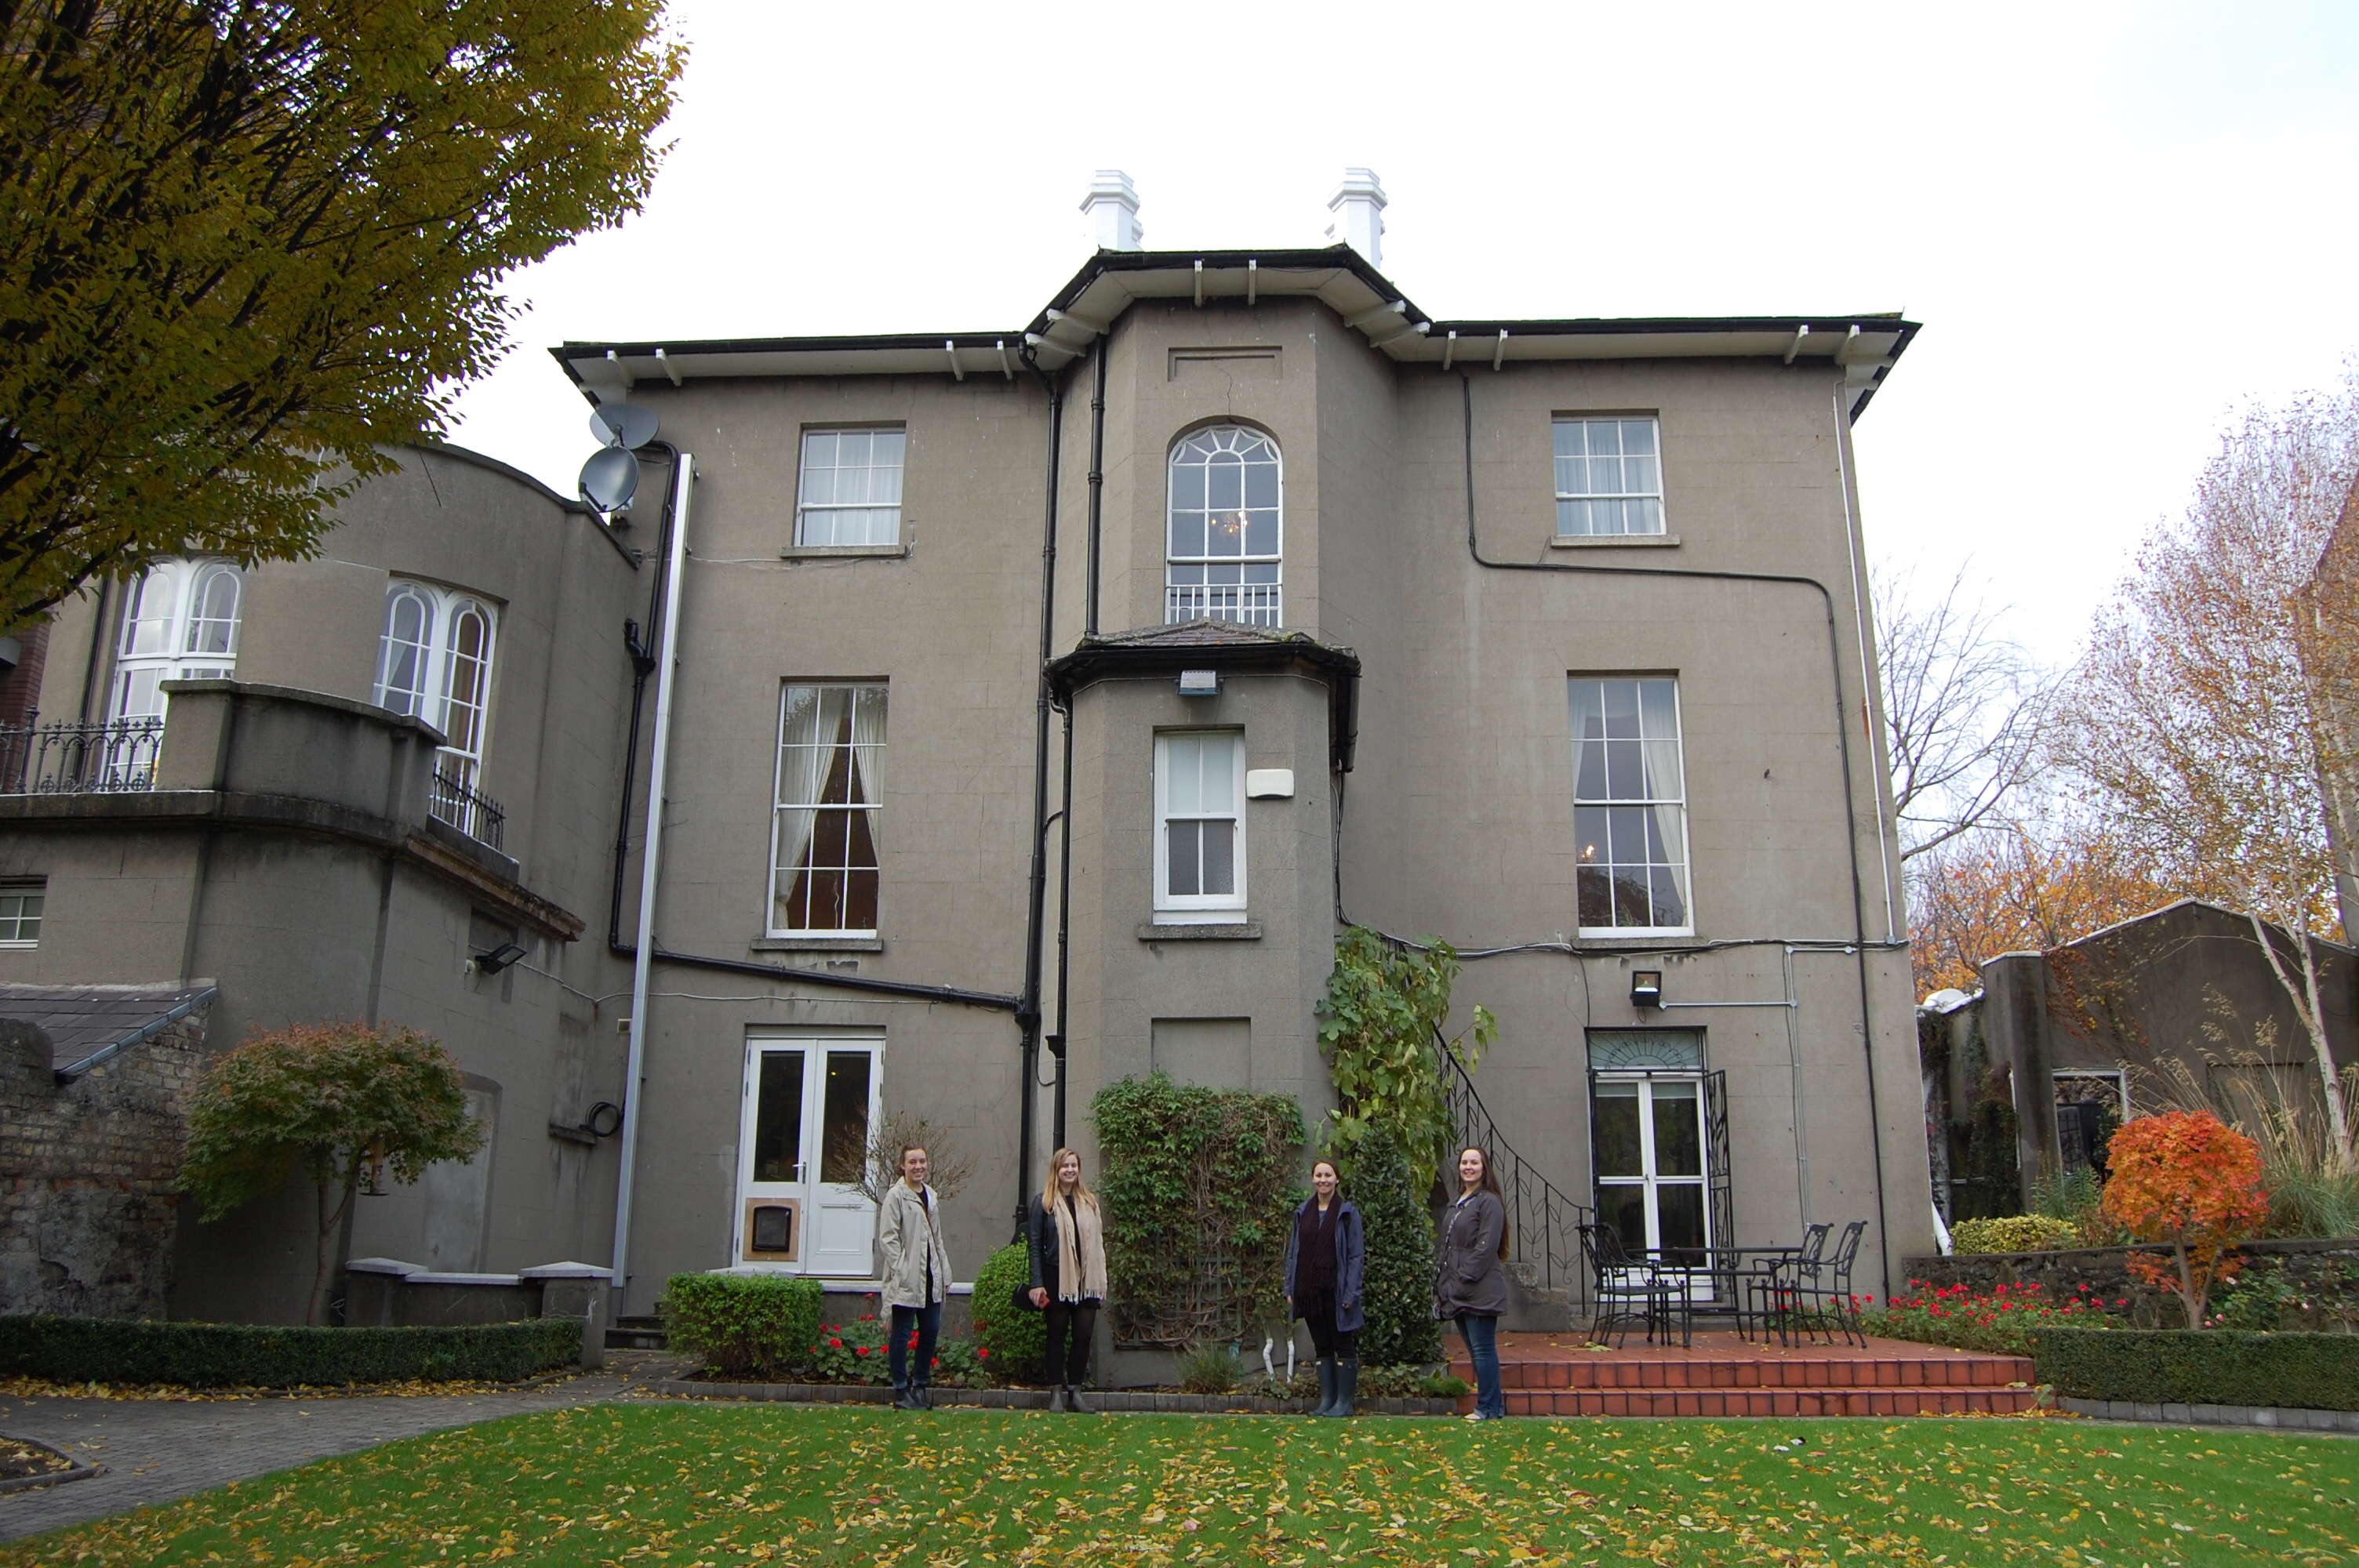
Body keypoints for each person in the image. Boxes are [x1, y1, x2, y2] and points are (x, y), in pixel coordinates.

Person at [1026, 1145, 1108, 1412]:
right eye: (1065, 1166)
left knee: (1083, 1336)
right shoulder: (1044, 1202)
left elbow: (1098, 1242)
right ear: (1056, 1170)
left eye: (1074, 1166)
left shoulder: (1089, 1202)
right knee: (1056, 1336)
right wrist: (1037, 1283)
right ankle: (1055, 1394)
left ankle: (1076, 1392)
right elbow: (1035, 1244)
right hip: (1055, 1277)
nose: (1070, 1170)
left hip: (1087, 1280)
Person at [1281, 1157, 1365, 1417]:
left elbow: (1355, 1256)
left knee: (1343, 1342)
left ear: (1337, 1179)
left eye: (1328, 1175)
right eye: (1318, 1175)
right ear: (1313, 1179)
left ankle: (1344, 1403)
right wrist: (1290, 1286)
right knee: (1322, 1344)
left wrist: (1352, 1291)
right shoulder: (1302, 1211)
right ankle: (1327, 1401)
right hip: (1309, 1290)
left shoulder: (1347, 1213)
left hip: (1337, 1289)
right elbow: (1293, 1252)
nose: (1323, 1180)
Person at [877, 1144, 954, 1410]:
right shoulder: (896, 1196)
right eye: (912, 1162)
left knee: (930, 1331)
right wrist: (903, 1269)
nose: (918, 1166)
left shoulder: (931, 1196)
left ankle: (919, 1386)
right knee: (901, 1334)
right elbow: (888, 1239)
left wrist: (944, 1270)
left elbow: (937, 1238)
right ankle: (901, 1391)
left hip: (930, 1276)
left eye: (922, 1161)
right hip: (907, 1280)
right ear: (903, 1165)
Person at [1434, 1145, 1508, 1421]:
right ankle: (1494, 1407)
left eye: (1474, 1163)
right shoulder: (1459, 1201)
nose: (1468, 1167)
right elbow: (1448, 1245)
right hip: (1457, 1288)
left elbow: (1485, 1248)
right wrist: (1444, 1283)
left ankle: (1487, 1407)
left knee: (1483, 1349)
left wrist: (1464, 1278)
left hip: (1480, 1288)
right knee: (1475, 1350)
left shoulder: (1488, 1202)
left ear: (1484, 1168)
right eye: (1464, 1162)